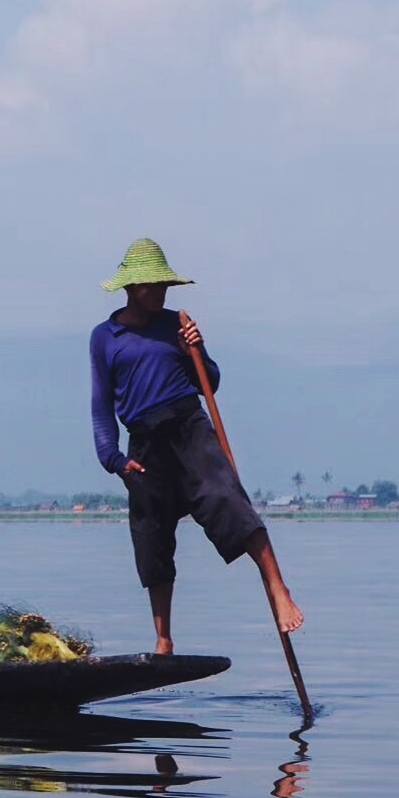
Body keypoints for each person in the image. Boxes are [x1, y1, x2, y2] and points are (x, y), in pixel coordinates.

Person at [89, 237, 304, 655]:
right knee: (151, 536)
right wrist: (114, 459)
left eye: (167, 286)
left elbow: (211, 382)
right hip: (144, 443)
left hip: (188, 425)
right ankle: (164, 638)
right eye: (156, 286)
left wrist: (197, 347)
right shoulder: (105, 336)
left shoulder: (176, 324)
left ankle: (279, 590)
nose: (164, 294)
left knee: (228, 500)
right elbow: (100, 405)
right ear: (135, 288)